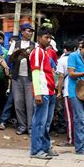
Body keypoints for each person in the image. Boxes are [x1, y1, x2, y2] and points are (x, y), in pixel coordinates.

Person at [29, 26, 58, 159]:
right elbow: (35, 72)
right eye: (46, 37)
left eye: (50, 38)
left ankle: (45, 147)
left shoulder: (46, 52)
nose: (49, 40)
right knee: (39, 122)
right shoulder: (37, 52)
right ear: (39, 38)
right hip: (43, 91)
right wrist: (37, 93)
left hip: (49, 91)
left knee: (46, 122)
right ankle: (36, 150)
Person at [8, 23, 36, 135]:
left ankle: (30, 127)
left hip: (30, 78)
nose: (30, 33)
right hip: (17, 77)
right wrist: (18, 54)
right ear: (22, 32)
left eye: (31, 31)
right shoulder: (15, 44)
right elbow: (10, 59)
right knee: (18, 103)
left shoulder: (35, 45)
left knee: (30, 104)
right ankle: (22, 125)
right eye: (28, 31)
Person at [56, 40, 77, 146]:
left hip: (68, 91)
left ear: (65, 49)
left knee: (69, 116)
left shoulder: (62, 60)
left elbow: (60, 77)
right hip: (81, 90)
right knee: (78, 116)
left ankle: (71, 139)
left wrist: (59, 92)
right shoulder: (79, 58)